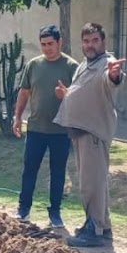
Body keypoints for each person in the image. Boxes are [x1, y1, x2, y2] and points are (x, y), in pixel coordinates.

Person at [52, 22, 126, 248]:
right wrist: (68, 94)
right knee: (95, 183)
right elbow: (84, 91)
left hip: (93, 132)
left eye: (95, 40)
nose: (90, 45)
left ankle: (94, 230)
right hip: (80, 131)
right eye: (86, 41)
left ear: (103, 42)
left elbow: (111, 80)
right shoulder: (85, 65)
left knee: (90, 185)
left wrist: (115, 75)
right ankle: (102, 228)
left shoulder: (106, 64)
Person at [13, 25, 79, 228]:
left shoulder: (71, 66)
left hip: (60, 130)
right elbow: (24, 92)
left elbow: (80, 97)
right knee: (29, 170)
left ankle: (55, 213)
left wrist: (66, 94)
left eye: (51, 44)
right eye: (43, 44)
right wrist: (17, 117)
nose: (47, 48)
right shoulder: (33, 65)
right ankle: (23, 209)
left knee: (58, 172)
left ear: (60, 42)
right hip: (36, 129)